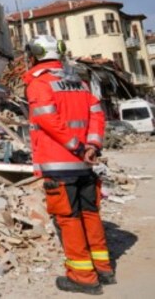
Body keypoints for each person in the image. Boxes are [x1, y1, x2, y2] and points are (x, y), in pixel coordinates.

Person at [23, 35, 112, 294]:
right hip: (85, 165)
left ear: (35, 54)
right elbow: (97, 115)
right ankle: (103, 268)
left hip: (59, 163)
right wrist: (92, 146)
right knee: (90, 214)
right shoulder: (80, 83)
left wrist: (77, 146)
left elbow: (48, 121)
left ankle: (83, 277)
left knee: (69, 218)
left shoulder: (39, 84)